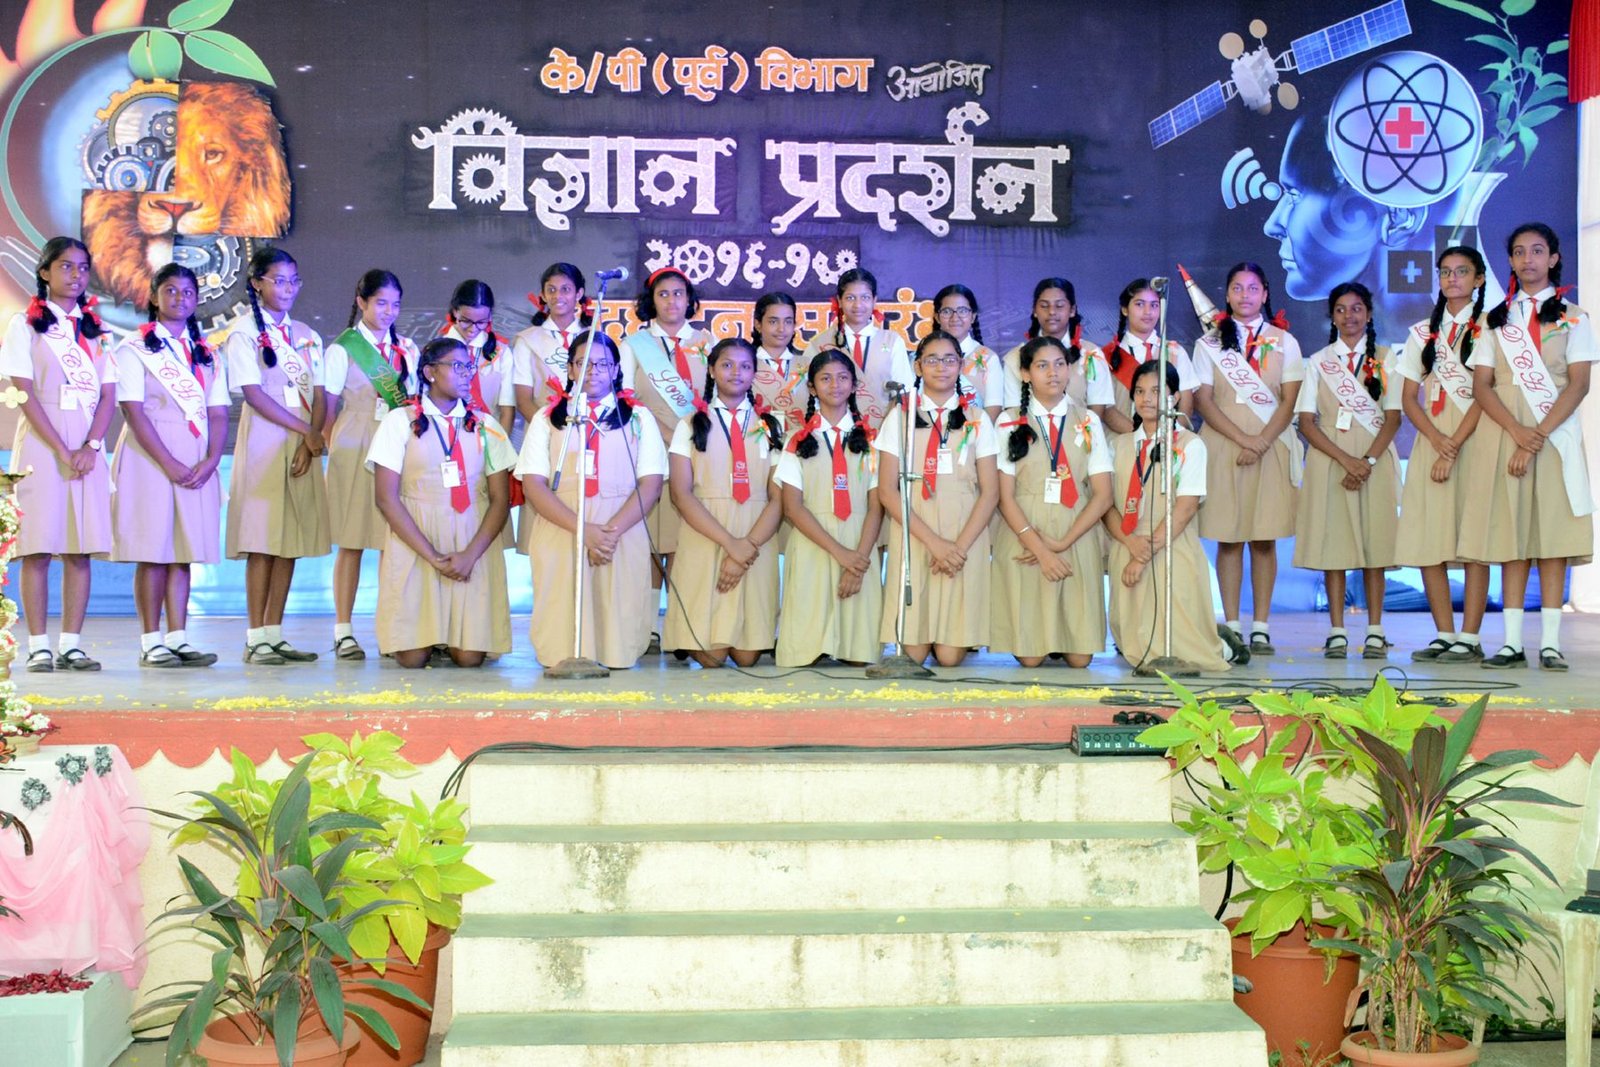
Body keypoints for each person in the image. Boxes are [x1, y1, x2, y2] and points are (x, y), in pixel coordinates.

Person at [1463, 223, 1595, 671]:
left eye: (1537, 251)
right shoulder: (1496, 320)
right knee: (1511, 535)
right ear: (1511, 261)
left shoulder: (1575, 317)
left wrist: (1535, 436)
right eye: (1519, 252)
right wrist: (1517, 433)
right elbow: (1482, 386)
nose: (1528, 259)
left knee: (1552, 538)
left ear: (1553, 258)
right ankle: (1512, 643)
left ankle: (1551, 644)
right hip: (1505, 435)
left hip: (1555, 438)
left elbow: (1578, 384)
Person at [0, 238, 115, 672]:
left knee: (79, 548)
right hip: (42, 444)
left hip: (87, 446)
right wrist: (63, 449)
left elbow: (109, 395)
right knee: (38, 548)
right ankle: (38, 646)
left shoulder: (96, 330)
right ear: (45, 272)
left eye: (83, 267)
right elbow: (24, 393)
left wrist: (90, 446)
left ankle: (71, 645)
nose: (76, 275)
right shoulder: (25, 325)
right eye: (66, 266)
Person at [518, 331, 665, 669]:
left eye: (603, 364)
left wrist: (607, 534)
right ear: (570, 369)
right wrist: (585, 532)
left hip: (620, 528)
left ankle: (616, 653)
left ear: (616, 370)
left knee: (616, 607)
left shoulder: (639, 418)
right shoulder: (547, 418)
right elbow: (534, 485)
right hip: (563, 524)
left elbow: (651, 484)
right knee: (562, 603)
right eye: (584, 363)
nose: (593, 371)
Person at [366, 337, 515, 668]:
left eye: (469, 367)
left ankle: (453, 636)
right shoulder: (399, 421)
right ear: (430, 372)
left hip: (471, 539)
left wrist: (469, 556)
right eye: (457, 366)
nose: (466, 374)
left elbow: (500, 500)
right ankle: (429, 635)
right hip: (417, 537)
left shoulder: (486, 425)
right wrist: (433, 556)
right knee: (412, 659)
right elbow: (385, 498)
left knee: (469, 659)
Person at [109, 263, 228, 668]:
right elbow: (133, 411)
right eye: (171, 290)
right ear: (155, 297)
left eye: (188, 292)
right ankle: (150, 641)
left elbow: (218, 413)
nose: (180, 298)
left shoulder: (207, 353)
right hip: (151, 457)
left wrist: (212, 459)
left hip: (196, 458)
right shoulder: (134, 348)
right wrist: (168, 462)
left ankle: (178, 637)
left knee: (183, 550)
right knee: (153, 550)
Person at [223, 248, 329, 665]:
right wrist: (307, 433)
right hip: (266, 439)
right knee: (263, 540)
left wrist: (309, 440)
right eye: (278, 280)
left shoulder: (306, 334)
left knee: (289, 541)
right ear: (257, 283)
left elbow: (319, 393)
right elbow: (253, 394)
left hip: (303, 441)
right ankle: (255, 637)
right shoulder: (244, 332)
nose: (288, 289)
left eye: (293, 281)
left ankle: (274, 633)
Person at [1193, 262, 1304, 654]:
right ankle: (1232, 624)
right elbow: (1203, 401)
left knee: (1263, 537)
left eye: (1253, 288)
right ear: (1226, 294)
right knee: (1228, 537)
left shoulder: (1285, 341)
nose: (1245, 295)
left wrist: (1260, 441)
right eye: (1237, 288)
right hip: (1224, 446)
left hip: (1270, 446)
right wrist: (1244, 439)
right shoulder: (1208, 344)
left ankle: (1261, 626)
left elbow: (1290, 401)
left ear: (1265, 293)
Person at [1105, 361, 1246, 671]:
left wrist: (1143, 556)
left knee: (1188, 651)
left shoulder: (1190, 445)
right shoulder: (1118, 445)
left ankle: (1224, 647)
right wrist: (1130, 545)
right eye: (1139, 391)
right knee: (1136, 648)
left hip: (1171, 545)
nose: (1147, 399)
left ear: (1175, 397)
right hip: (1127, 544)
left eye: (1157, 391)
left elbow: (1185, 509)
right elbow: (1107, 506)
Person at [875, 331, 998, 667]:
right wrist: (935, 544)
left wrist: (956, 548)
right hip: (915, 530)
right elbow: (887, 491)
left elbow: (990, 492)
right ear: (918, 367)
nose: (941, 367)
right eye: (932, 360)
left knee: (949, 657)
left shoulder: (977, 418)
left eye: (949, 360)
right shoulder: (899, 416)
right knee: (913, 655)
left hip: (964, 534)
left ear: (960, 365)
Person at [1293, 282, 1402, 659]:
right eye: (1341, 309)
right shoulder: (1318, 361)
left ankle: (1375, 630)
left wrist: (1366, 461)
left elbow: (1393, 417)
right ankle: (1337, 630)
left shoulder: (1387, 358)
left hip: (1375, 459)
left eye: (1356, 308)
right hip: (1330, 460)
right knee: (1334, 547)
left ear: (1368, 314)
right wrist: (1346, 460)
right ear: (1332, 316)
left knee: (1376, 547)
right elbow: (1306, 422)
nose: (1349, 316)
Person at [1395, 246, 1492, 663]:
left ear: (1479, 279)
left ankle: (1470, 636)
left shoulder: (1492, 327)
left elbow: (1489, 393)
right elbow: (1408, 397)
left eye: (1462, 271)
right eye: (1446, 272)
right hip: (1431, 442)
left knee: (1475, 539)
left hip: (1477, 441)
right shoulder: (1422, 332)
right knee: (1428, 538)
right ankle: (1444, 633)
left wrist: (1453, 445)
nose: (1452, 279)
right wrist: (1438, 440)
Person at [991, 335, 1112, 668]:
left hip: (1076, 530)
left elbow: (1103, 494)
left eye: (1060, 364)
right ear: (1025, 374)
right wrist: (1042, 550)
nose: (1053, 373)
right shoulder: (1007, 421)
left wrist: (1062, 543)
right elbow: (1003, 496)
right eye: (1042, 365)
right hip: (1025, 533)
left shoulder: (1088, 420)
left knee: (1080, 659)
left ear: (1070, 370)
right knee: (1030, 659)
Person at [663, 337, 784, 668]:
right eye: (727, 365)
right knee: (712, 658)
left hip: (756, 535)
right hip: (706, 532)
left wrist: (747, 546)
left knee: (747, 657)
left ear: (754, 373)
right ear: (712, 370)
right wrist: (731, 545)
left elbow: (778, 497)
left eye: (745, 366)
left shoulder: (771, 426)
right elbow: (680, 494)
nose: (736, 372)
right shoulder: (690, 424)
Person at [323, 269, 418, 660]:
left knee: (390, 542)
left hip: (395, 447)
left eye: (395, 304)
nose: (389, 311)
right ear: (361, 302)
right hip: (353, 445)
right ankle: (343, 630)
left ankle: (389, 629)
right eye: (381, 303)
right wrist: (334, 448)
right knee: (352, 541)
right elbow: (327, 408)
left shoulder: (408, 349)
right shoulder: (343, 348)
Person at [775, 349, 884, 667]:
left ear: (854, 385)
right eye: (825, 378)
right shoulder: (796, 440)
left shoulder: (873, 440)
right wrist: (841, 554)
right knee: (803, 658)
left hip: (859, 544)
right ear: (811, 387)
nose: (835, 385)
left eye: (842, 378)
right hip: (813, 542)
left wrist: (856, 561)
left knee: (859, 657)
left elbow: (876, 507)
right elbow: (792, 508)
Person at [621, 266, 713, 643]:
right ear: (651, 300)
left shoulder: (706, 342)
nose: (672, 301)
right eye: (663, 294)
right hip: (649, 453)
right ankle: (646, 628)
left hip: (695, 453)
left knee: (683, 541)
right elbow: (624, 397)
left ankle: (678, 627)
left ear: (689, 300)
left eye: (678, 293)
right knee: (648, 541)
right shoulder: (634, 345)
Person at [510, 263, 592, 554]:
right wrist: (553, 431)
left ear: (579, 294)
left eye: (566, 289)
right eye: (552, 290)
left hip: (589, 437)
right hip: (544, 436)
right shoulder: (527, 340)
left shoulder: (594, 336)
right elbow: (523, 400)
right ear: (543, 295)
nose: (559, 296)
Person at [800, 268, 913, 430]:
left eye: (865, 297)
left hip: (883, 431)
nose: (858, 305)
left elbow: (903, 392)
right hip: (834, 431)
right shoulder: (820, 343)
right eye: (850, 298)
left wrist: (889, 430)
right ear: (839, 301)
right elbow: (807, 391)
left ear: (874, 300)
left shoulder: (892, 341)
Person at [1000, 277, 1114, 426]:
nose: (1052, 312)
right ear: (1034, 311)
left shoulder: (1091, 354)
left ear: (1072, 310)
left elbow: (1096, 411)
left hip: (1079, 436)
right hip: (1031, 436)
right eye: (1044, 306)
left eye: (1059, 306)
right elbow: (1013, 411)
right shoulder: (1015, 357)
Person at [1102, 278, 1199, 433]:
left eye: (1154, 305)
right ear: (1125, 309)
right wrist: (1141, 437)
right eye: (1139, 304)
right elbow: (1106, 409)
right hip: (1121, 441)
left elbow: (1186, 405)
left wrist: (1165, 438)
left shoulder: (1175, 352)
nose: (1148, 312)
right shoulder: (1106, 355)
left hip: (1168, 442)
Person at [441, 279, 514, 432]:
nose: (473, 329)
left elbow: (507, 409)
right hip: (447, 435)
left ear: (490, 317)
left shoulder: (501, 352)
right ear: (455, 311)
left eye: (481, 322)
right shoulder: (438, 350)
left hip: (489, 435)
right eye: (466, 321)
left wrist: (501, 444)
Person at [931, 284, 1002, 418]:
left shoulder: (989, 359)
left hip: (975, 430)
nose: (955, 318)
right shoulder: (923, 357)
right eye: (947, 311)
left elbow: (993, 411)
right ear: (937, 317)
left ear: (973, 316)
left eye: (962, 311)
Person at [750, 292, 809, 433]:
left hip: (801, 442)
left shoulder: (808, 366)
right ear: (758, 324)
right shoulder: (745, 366)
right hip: (755, 442)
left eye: (788, 321)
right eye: (773, 322)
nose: (781, 329)